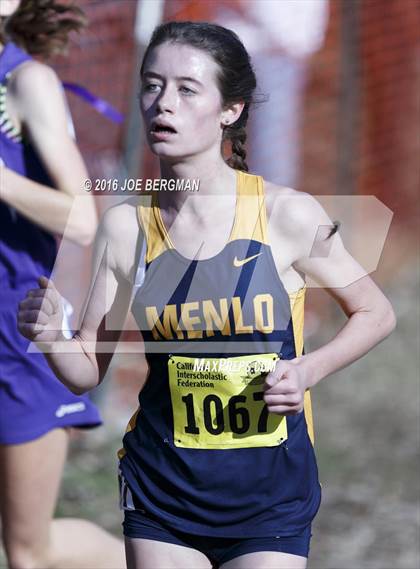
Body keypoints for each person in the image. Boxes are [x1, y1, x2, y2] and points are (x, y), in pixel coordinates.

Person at [17, 21, 396, 569]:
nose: (162, 104)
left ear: (230, 111)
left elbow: (375, 311)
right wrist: (52, 337)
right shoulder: (126, 226)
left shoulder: (288, 214)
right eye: (152, 85)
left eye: (186, 89)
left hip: (270, 500)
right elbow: (86, 369)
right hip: (162, 494)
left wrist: (309, 370)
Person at [0, 1, 125, 568]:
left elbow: (80, 218)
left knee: (30, 554)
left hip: (15, 338)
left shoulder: (27, 81)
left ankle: (165, 561)